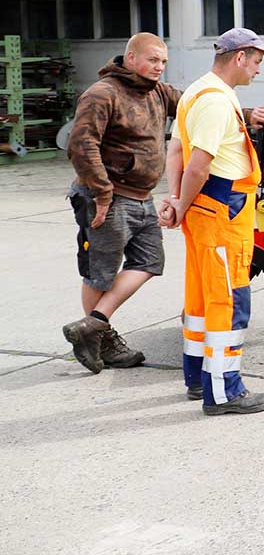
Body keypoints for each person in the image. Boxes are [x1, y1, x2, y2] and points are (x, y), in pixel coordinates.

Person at [159, 29, 264, 415]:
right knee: (228, 301)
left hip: (204, 209)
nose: (258, 69)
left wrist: (177, 201)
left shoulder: (196, 92)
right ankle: (225, 392)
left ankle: (198, 378)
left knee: (201, 299)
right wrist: (180, 201)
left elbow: (175, 149)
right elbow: (198, 163)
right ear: (239, 57)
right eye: (257, 61)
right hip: (222, 208)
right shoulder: (217, 103)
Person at [60, 33, 181, 373]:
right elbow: (82, 146)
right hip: (107, 198)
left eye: (163, 62)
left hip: (141, 196)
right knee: (100, 274)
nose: (159, 67)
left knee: (149, 261)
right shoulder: (103, 93)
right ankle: (104, 340)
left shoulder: (157, 91)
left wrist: (243, 113)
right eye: (153, 60)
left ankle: (94, 324)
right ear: (130, 58)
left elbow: (195, 106)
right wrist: (101, 193)